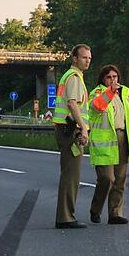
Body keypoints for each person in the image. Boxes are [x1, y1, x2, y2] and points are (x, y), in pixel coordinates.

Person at [86, 65, 129, 225]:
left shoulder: (123, 95)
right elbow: (98, 106)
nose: (113, 80)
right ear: (103, 79)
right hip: (104, 141)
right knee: (106, 178)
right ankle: (95, 209)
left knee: (120, 179)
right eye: (109, 77)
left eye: (115, 77)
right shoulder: (97, 93)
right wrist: (110, 91)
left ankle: (115, 213)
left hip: (123, 138)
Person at [51, 43, 91, 228]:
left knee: (69, 173)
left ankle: (65, 216)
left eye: (89, 58)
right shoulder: (74, 77)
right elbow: (73, 104)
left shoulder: (71, 76)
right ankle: (66, 217)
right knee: (71, 175)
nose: (87, 61)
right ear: (75, 58)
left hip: (66, 129)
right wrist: (83, 128)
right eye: (84, 57)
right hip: (71, 130)